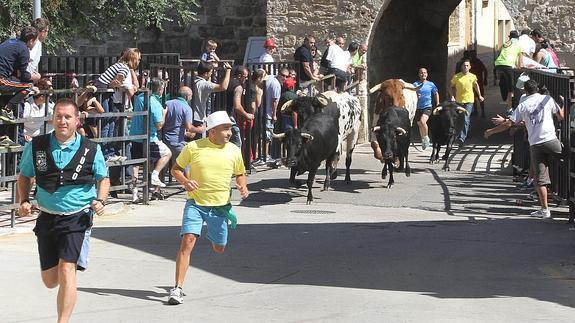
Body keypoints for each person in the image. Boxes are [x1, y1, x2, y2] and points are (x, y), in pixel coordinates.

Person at [17, 98, 110, 323]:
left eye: (68, 117)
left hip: (77, 217)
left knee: (68, 269)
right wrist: (24, 200)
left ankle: (63, 321)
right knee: (50, 281)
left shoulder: (91, 148)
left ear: (77, 121)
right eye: (58, 116)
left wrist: (100, 200)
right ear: (52, 119)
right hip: (47, 217)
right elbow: (25, 175)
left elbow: (103, 178)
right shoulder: (37, 145)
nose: (62, 121)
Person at [167, 110, 249, 305]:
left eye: (230, 129)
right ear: (212, 131)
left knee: (219, 248)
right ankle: (177, 288)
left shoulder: (234, 150)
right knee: (187, 241)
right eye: (226, 129)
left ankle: (215, 237)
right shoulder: (194, 147)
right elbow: (175, 170)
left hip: (219, 207)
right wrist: (186, 182)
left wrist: (242, 184)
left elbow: (240, 172)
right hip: (195, 203)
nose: (230, 133)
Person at [484, 79, 563, 219]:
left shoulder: (523, 105)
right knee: (567, 163)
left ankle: (545, 210)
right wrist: (564, 104)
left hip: (536, 144)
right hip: (552, 140)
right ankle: (565, 193)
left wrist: (491, 131)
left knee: (540, 179)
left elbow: (510, 124)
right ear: (537, 89)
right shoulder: (547, 99)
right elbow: (561, 116)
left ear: (525, 91)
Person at [0, 26, 38, 124]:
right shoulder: (24, 49)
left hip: (5, 76)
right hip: (1, 80)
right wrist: (36, 77)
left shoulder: (11, 41)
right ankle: (7, 109)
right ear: (31, 40)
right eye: (35, 41)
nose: (35, 44)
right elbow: (24, 76)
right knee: (29, 86)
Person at [191, 61, 232, 136]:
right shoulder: (204, 84)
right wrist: (228, 71)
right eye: (211, 72)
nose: (211, 74)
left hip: (190, 116)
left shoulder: (190, 80)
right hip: (199, 118)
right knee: (200, 144)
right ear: (206, 73)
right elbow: (223, 87)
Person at [450, 59, 484, 146]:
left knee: (465, 118)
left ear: (470, 67)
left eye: (467, 65)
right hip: (459, 101)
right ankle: (466, 129)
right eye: (464, 65)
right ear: (461, 67)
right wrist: (452, 96)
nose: (465, 67)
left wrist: (479, 95)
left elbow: (476, 85)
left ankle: (462, 138)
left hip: (469, 101)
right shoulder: (456, 77)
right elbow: (451, 87)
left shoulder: (472, 76)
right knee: (460, 119)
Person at [163, 86, 198, 163]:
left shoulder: (167, 103)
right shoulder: (187, 108)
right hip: (177, 142)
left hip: (164, 140)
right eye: (191, 95)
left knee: (164, 164)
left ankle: (156, 174)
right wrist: (200, 129)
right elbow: (189, 127)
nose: (191, 98)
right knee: (187, 163)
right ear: (187, 96)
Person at [262, 67, 289, 161]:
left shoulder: (270, 78)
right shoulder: (276, 84)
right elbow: (274, 101)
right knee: (267, 135)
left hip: (262, 110)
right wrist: (274, 114)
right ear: (279, 74)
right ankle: (265, 156)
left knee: (263, 134)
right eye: (283, 75)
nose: (284, 78)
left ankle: (263, 155)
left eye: (286, 76)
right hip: (268, 113)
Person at [494, 30, 523, 114]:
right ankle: (509, 109)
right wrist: (520, 68)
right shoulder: (519, 44)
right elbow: (520, 62)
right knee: (511, 89)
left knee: (503, 83)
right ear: (517, 37)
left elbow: (500, 54)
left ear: (510, 37)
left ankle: (505, 98)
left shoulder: (505, 43)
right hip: (508, 65)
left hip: (498, 64)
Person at [226, 65, 253, 148]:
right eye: (245, 77)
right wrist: (246, 115)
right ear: (239, 76)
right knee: (236, 143)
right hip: (227, 116)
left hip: (217, 114)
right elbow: (237, 106)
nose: (246, 79)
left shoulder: (226, 81)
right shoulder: (238, 87)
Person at [413, 67, 439, 150]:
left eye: (424, 73)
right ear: (419, 74)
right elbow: (411, 93)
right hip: (417, 107)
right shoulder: (415, 84)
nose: (423, 74)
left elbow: (436, 93)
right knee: (420, 124)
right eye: (421, 73)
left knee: (422, 121)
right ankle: (423, 140)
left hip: (427, 106)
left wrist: (438, 103)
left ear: (427, 74)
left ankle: (426, 137)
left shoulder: (430, 84)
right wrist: (416, 96)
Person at [27, 18, 49, 82]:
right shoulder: (35, 43)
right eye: (47, 31)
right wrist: (37, 77)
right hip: (22, 80)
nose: (47, 34)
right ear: (42, 32)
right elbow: (26, 63)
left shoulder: (33, 42)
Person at [468, 50, 488, 117]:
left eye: (473, 55)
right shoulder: (469, 63)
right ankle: (475, 111)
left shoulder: (478, 62)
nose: (472, 56)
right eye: (471, 55)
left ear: (475, 55)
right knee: (473, 97)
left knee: (480, 97)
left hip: (479, 82)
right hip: (471, 83)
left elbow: (485, 70)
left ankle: (483, 111)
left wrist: (485, 79)